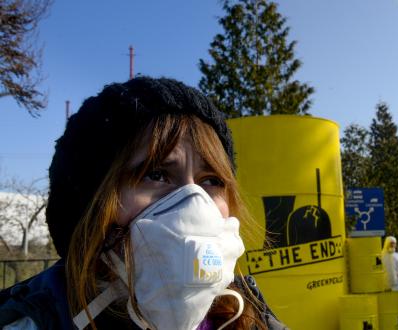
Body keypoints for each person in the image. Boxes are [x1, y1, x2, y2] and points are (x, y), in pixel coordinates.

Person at [0, 77, 286, 329]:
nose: (194, 205)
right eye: (156, 174)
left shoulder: (250, 316)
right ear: (88, 207)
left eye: (211, 180)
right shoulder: (32, 320)